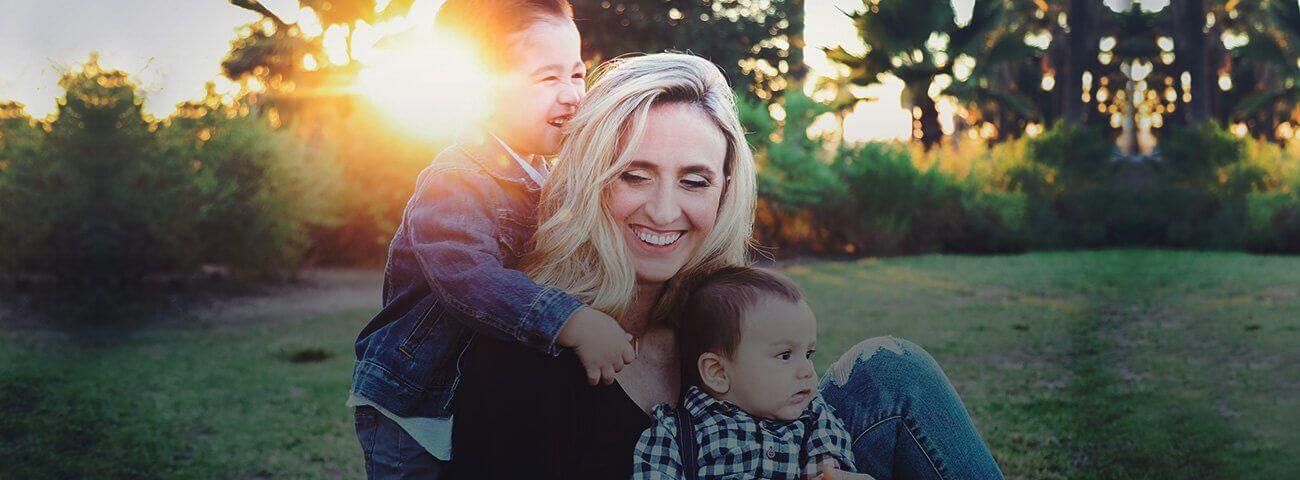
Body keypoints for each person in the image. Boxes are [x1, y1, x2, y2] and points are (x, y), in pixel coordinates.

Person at [452, 52, 1005, 480]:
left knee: (892, 370)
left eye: (694, 180)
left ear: (723, 194)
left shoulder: (725, 316)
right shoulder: (523, 358)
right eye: (634, 175)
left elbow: (808, 424)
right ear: (589, 180)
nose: (664, 210)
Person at [347, 1, 636, 478]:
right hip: (415, 402)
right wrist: (574, 321)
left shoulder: (547, 175)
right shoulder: (455, 180)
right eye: (548, 79)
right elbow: (469, 278)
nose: (572, 96)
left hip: (473, 397)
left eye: (577, 75)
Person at [632, 266, 857, 479]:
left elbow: (830, 455)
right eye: (785, 355)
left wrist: (825, 469)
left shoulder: (813, 414)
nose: (807, 371)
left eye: (808, 354)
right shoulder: (676, 434)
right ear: (717, 372)